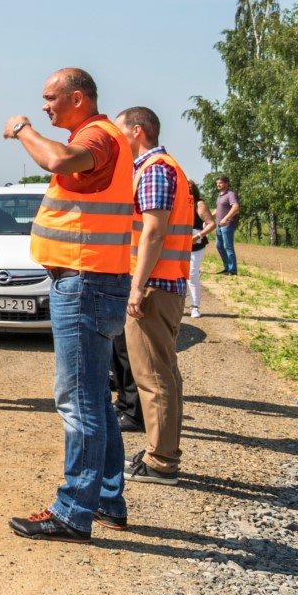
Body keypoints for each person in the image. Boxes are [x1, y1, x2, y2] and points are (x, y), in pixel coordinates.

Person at [3, 68, 134, 542]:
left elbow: (57, 161)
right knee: (96, 397)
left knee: (78, 401)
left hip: (84, 281)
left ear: (77, 97)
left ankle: (73, 512)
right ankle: (106, 500)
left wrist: (22, 130)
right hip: (92, 278)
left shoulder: (97, 135)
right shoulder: (101, 134)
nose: (44, 106)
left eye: (50, 97)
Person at [116, 106, 189, 485]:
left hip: (154, 287)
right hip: (164, 284)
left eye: (120, 132)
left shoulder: (154, 169)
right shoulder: (165, 167)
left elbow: (153, 232)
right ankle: (162, 454)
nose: (117, 139)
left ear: (138, 131)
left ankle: (161, 462)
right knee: (164, 374)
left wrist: (136, 284)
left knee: (153, 377)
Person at [187, 180, 215, 319]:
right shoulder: (176, 202)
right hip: (178, 245)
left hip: (196, 245)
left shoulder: (199, 204)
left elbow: (211, 224)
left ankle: (195, 306)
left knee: (192, 274)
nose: (187, 190)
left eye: (190, 188)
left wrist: (198, 235)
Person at [214, 176, 240, 276]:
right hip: (219, 225)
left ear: (226, 183)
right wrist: (207, 217)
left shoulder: (230, 194)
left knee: (227, 246)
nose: (218, 185)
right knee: (219, 245)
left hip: (228, 224)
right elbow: (218, 209)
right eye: (217, 183)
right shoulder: (220, 196)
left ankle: (232, 270)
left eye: (220, 183)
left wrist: (225, 218)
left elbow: (236, 207)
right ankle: (227, 267)